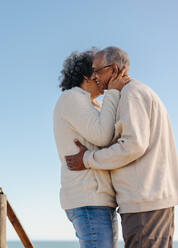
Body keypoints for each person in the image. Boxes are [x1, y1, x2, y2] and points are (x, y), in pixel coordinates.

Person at [65, 46, 178, 248]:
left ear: (114, 70)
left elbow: (132, 145)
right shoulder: (136, 93)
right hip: (148, 200)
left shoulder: (132, 94)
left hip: (144, 202)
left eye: (98, 70)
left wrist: (87, 159)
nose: (94, 77)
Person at [53, 48, 129, 248]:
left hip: (99, 201)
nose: (102, 77)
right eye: (96, 71)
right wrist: (113, 91)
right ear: (87, 75)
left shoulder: (92, 104)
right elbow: (103, 136)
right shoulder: (72, 98)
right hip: (88, 200)